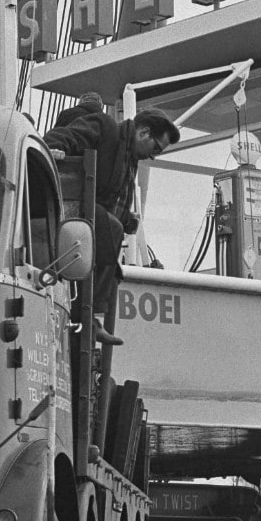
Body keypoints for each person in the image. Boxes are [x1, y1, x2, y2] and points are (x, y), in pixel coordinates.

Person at [42, 94, 179, 345]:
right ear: (144, 132)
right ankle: (87, 315)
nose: (153, 156)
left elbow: (112, 200)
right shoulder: (105, 128)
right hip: (76, 213)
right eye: (156, 148)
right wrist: (52, 148)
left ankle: (91, 320)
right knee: (112, 230)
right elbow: (69, 136)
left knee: (115, 267)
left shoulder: (130, 158)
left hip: (94, 218)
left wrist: (129, 219)